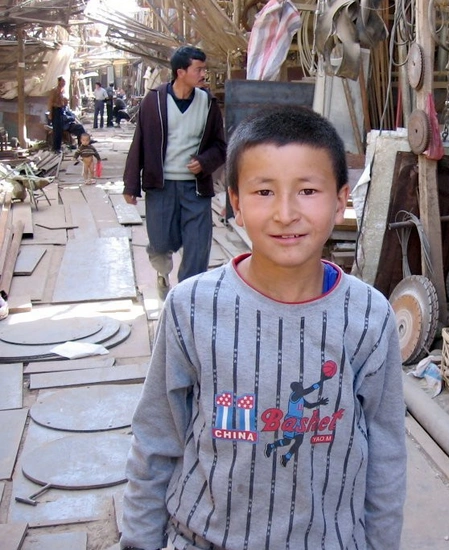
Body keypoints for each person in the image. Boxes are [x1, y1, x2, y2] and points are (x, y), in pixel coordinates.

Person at [119, 106, 407, 550]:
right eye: (264, 192)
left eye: (308, 190)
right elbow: (157, 440)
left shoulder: (368, 316)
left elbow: (385, 453)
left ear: (341, 198)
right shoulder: (192, 308)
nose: (285, 213)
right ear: (235, 202)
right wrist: (138, 543)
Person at [123, 45, 226, 296]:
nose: (204, 74)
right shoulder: (154, 101)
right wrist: (131, 185)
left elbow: (220, 146)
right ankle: (162, 271)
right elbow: (140, 142)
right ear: (181, 72)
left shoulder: (208, 103)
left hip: (196, 187)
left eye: (204, 68)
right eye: (198, 69)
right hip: (161, 185)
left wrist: (204, 161)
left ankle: (187, 294)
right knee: (160, 243)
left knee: (197, 244)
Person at [47, 76, 66, 152]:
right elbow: (50, 102)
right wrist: (50, 113)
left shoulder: (62, 91)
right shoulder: (54, 91)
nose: (64, 83)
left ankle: (58, 146)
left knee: (60, 129)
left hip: (61, 110)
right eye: (62, 81)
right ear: (59, 82)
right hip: (56, 110)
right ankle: (55, 147)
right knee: (56, 130)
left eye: (64, 82)